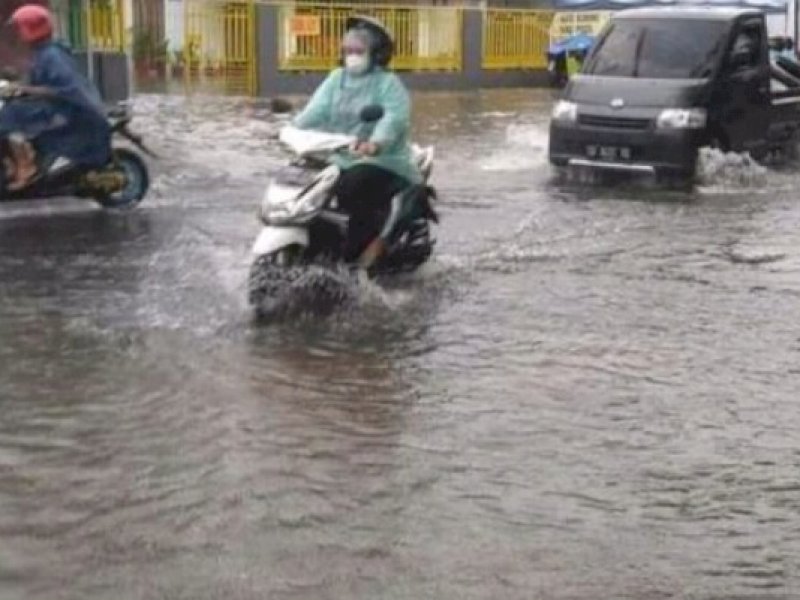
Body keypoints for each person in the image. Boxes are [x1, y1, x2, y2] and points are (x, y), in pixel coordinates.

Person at [291, 15, 422, 267]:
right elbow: (316, 110)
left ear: (376, 53)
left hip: (384, 159)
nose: (352, 55)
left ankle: (359, 251)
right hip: (342, 154)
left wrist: (376, 143)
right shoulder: (336, 78)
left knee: (352, 186)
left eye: (359, 51)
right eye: (348, 50)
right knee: (306, 184)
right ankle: (319, 246)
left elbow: (393, 118)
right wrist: (291, 128)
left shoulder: (388, 83)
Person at [0, 4, 110, 191]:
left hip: (64, 110)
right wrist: (15, 83)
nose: (17, 33)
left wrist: (25, 89)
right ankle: (12, 164)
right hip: (50, 105)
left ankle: (26, 167)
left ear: (31, 29)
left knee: (8, 116)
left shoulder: (52, 56)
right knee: (11, 110)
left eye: (20, 28)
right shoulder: (42, 52)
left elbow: (64, 89)